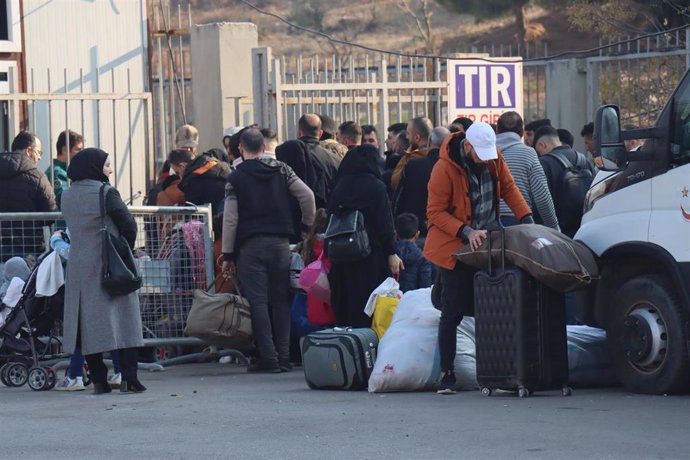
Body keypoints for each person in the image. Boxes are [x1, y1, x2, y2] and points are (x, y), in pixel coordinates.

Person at [424, 122, 533, 394]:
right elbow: (434, 213)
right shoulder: (443, 168)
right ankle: (447, 374)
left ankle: (495, 370)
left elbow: (509, 188)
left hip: (488, 242)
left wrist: (527, 218)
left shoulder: (494, 156)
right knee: (452, 312)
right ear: (468, 146)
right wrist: (466, 230)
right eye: (480, 154)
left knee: (492, 306)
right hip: (455, 247)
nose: (486, 159)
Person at [221, 128, 316, 373]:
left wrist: (228, 254)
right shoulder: (282, 170)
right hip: (280, 244)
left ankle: (269, 358)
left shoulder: (235, 177)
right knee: (281, 300)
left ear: (240, 148)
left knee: (258, 302)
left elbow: (230, 219)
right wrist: (306, 226)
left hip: (250, 247)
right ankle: (284, 357)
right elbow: (307, 196)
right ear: (264, 148)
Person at [61, 148, 145, 394]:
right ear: (95, 167)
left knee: (89, 324)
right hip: (110, 263)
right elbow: (128, 225)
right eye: (107, 165)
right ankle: (130, 379)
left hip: (79, 265)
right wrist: (124, 249)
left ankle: (99, 381)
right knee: (125, 320)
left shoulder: (66, 195)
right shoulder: (105, 192)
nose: (109, 169)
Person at [327, 144, 404, 328]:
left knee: (346, 305)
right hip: (370, 256)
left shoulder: (339, 187)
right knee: (369, 305)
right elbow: (384, 223)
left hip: (341, 257)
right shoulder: (376, 186)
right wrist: (391, 252)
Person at [276, 113, 341, 242]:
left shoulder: (288, 156)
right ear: (321, 133)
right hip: (326, 226)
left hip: (292, 228)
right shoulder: (335, 160)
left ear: (299, 132)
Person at [0, 131, 57, 264]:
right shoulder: (38, 176)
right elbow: (50, 216)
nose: (39, 158)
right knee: (23, 284)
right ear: (28, 151)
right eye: (38, 152)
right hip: (27, 248)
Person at [495, 111, 559, 230]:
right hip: (520, 222)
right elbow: (542, 196)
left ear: (497, 131)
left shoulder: (482, 155)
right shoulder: (528, 153)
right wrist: (554, 227)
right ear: (521, 132)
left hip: (488, 226)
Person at [534, 125, 597, 238]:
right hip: (584, 227)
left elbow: (540, 200)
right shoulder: (584, 160)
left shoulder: (544, 163)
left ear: (541, 145)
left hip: (557, 232)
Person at [392, 126, 449, 236]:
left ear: (430, 141)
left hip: (415, 229)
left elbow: (398, 199)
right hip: (443, 231)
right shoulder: (452, 169)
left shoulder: (413, 165)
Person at [391, 116, 432, 191]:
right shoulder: (442, 155)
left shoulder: (412, 159)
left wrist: (407, 156)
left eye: (408, 134)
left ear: (417, 137)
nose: (406, 137)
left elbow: (395, 182)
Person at [394, 213, 433, 293]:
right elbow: (425, 285)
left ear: (396, 234)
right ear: (417, 234)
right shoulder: (423, 258)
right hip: (412, 301)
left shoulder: (389, 255)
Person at [45, 130, 84, 208]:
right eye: (78, 149)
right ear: (65, 150)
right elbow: (66, 201)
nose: (82, 153)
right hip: (62, 219)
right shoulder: (57, 173)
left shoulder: (67, 170)